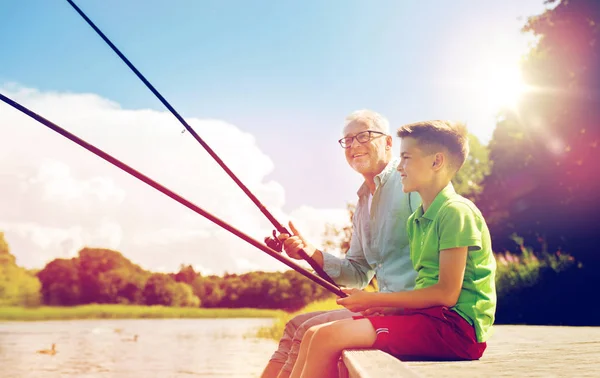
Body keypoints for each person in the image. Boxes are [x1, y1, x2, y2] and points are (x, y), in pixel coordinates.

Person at [288, 120, 497, 378]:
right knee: (313, 334)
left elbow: (445, 294)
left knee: (327, 336)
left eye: (406, 158)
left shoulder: (455, 212)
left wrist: (373, 299)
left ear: (436, 162)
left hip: (457, 332)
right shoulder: (417, 220)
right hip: (428, 320)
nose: (399, 167)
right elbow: (424, 288)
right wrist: (387, 308)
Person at [260, 110, 421, 378]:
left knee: (305, 331)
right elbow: (358, 273)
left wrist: (388, 302)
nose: (354, 145)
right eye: (347, 140)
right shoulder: (362, 203)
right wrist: (309, 252)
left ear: (389, 143)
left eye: (364, 136)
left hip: (408, 312)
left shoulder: (410, 183)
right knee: (294, 325)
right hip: (382, 308)